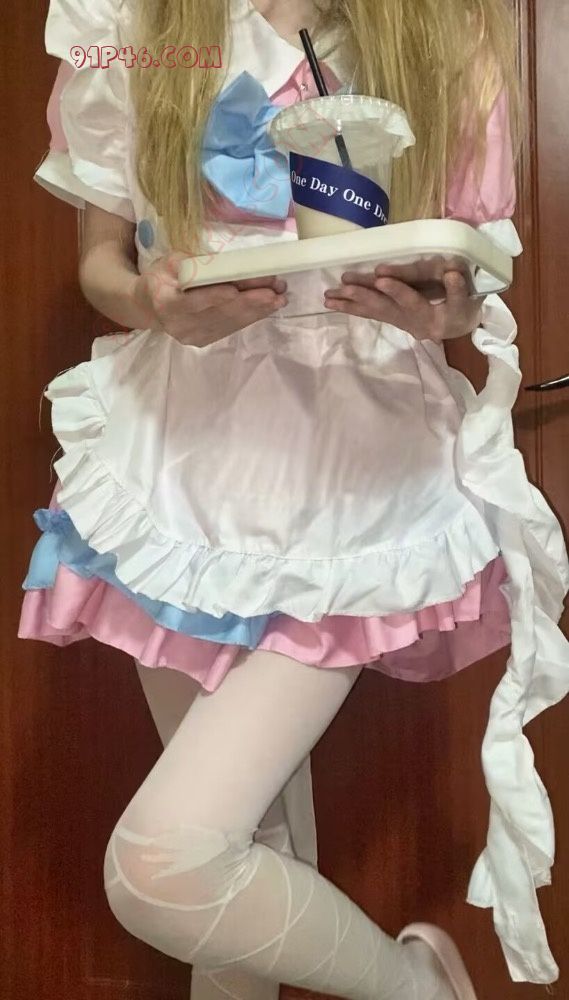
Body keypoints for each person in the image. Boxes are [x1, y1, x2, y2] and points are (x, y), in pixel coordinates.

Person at [19, 0, 569, 996]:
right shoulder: (134, 18)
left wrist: (445, 308)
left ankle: (420, 990)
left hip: (352, 477)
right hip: (179, 459)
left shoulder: (441, 30)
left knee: (168, 862)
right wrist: (150, 302)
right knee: (243, 853)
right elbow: (101, 260)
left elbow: (470, 276)